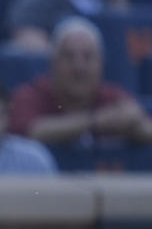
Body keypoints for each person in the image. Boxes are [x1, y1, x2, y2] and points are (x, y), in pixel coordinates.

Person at [9, 16, 152, 148]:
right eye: (69, 56)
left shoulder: (113, 96)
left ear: (101, 64)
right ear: (53, 63)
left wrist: (132, 122)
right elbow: (30, 132)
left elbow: (144, 126)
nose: (79, 67)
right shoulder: (31, 94)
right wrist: (96, 122)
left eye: (88, 57)